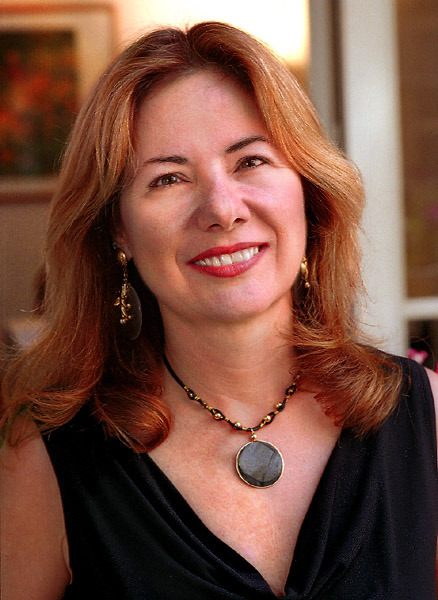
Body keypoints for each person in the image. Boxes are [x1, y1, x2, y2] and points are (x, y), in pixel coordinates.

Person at [1, 21, 437, 600]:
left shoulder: (427, 414)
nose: (222, 209)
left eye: (250, 162)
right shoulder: (47, 455)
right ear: (118, 229)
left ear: (307, 191)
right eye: (168, 178)